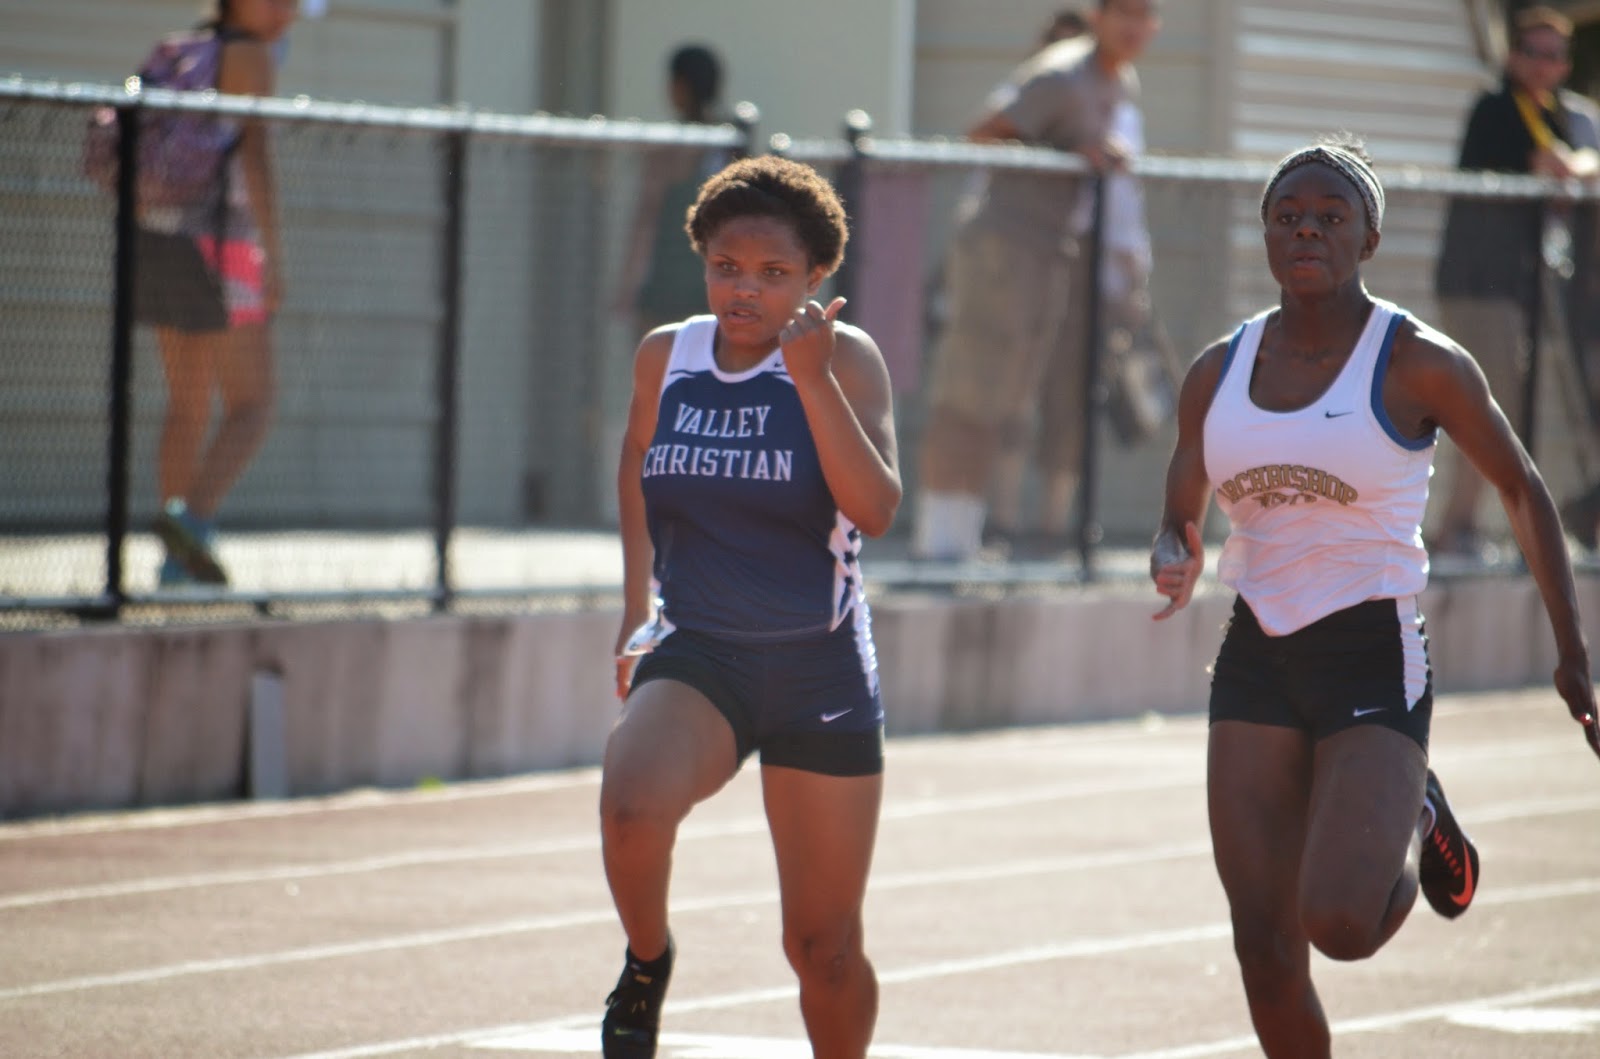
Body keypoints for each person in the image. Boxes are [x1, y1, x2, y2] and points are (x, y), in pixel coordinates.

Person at [1150, 137, 1600, 1058]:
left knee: (1341, 924)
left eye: (1329, 217)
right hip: (1256, 654)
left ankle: (1416, 810)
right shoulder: (1219, 370)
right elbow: (1179, 509)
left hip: (1371, 648)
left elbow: (1520, 489)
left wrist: (1573, 650)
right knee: (1263, 947)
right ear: (1267, 236)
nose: (1306, 229)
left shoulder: (1418, 363)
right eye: (1287, 217)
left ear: (1370, 236)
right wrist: (1175, 551)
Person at [600, 155, 901, 1058]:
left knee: (823, 948)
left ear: (816, 277)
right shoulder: (670, 354)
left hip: (819, 666)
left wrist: (808, 379)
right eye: (727, 268)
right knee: (629, 804)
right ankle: (647, 960)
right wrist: (633, 608)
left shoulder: (845, 360)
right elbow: (635, 469)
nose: (746, 292)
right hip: (702, 652)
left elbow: (877, 510)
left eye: (773, 275)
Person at [912, 0, 1161, 561]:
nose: (1133, 24)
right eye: (1121, 10)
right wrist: (1066, 155)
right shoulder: (1063, 73)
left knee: (1013, 400)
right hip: (1004, 248)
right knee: (972, 394)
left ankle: (976, 539)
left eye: (1144, 13)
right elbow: (982, 134)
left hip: (1050, 252)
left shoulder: (1119, 78)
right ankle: (942, 543)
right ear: (1098, 16)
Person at [1432, 5, 1600, 562]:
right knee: (1487, 408)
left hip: (1523, 289)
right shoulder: (1496, 110)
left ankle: (1473, 528)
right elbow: (1557, 166)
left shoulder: (1557, 113)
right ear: (1513, 57)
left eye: (1555, 55)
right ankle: (1458, 528)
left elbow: (1580, 163)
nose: (1543, 65)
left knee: (1505, 409)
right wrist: (1576, 166)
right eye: (1533, 52)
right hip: (1479, 284)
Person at [139, 0, 294, 587]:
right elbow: (254, 154)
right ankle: (190, 527)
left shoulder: (182, 49)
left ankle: (175, 563)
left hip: (158, 237)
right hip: (221, 243)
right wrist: (274, 258)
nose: (289, 10)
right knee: (253, 404)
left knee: (188, 405)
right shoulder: (249, 54)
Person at [612, 44, 730, 339]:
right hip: (718, 287)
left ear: (680, 86)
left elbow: (646, 218)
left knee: (660, 374)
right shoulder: (732, 144)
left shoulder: (669, 148)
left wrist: (629, 283)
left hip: (667, 291)